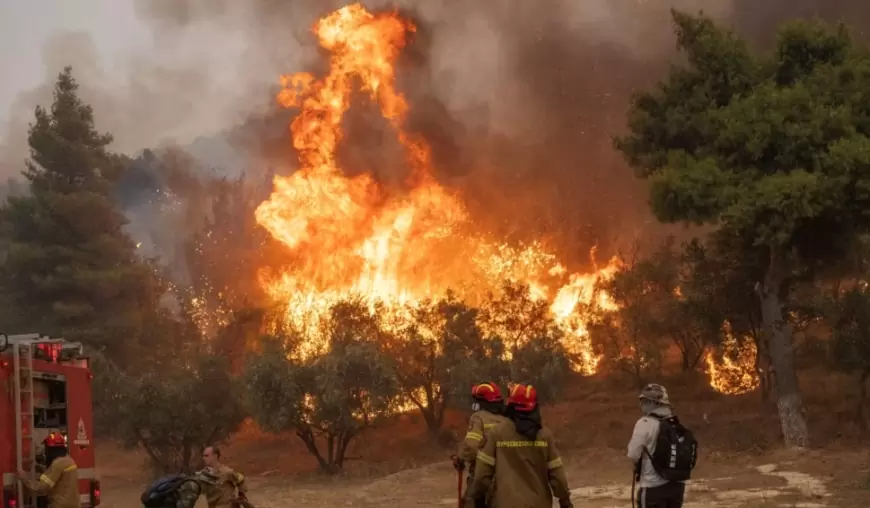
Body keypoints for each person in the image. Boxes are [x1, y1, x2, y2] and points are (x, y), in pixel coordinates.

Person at [470, 384, 572, 508]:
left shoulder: (497, 433)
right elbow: (558, 477)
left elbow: (481, 475)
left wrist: (478, 499)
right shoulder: (545, 436)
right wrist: (564, 500)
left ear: (511, 406)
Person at [627, 383, 693, 508]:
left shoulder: (644, 423)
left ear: (653, 403)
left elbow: (633, 454)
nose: (642, 404)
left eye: (644, 401)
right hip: (677, 487)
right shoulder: (675, 424)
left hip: (653, 487)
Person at [452, 382, 511, 508]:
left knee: (469, 502)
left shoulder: (478, 418)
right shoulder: (507, 420)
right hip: (507, 478)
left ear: (481, 402)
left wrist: (461, 459)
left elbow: (471, 448)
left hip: (483, 476)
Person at [16, 432, 79, 508]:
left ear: (51, 450)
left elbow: (42, 488)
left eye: (46, 449)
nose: (45, 452)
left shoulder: (57, 464)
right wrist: (39, 467)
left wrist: (25, 478)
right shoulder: (69, 460)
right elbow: (59, 477)